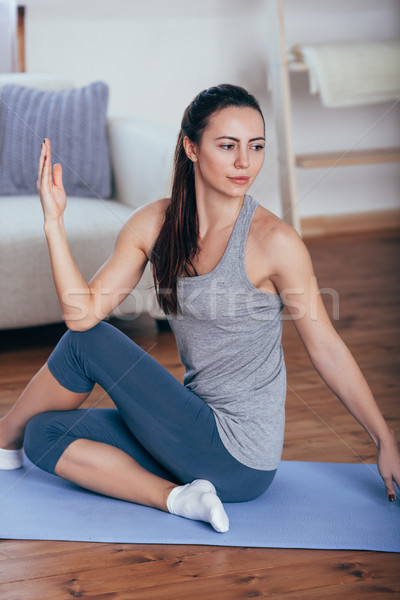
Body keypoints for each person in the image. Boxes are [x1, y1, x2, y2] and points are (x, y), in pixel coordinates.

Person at [0, 84, 399, 534]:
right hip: (188, 435)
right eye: (228, 146)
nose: (244, 162)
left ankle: (0, 438)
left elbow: (326, 347)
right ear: (191, 147)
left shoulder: (275, 242)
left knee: (87, 342)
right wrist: (54, 223)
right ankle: (178, 499)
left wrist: (383, 438)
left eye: (256, 146)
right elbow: (83, 308)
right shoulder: (154, 224)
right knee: (45, 434)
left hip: (239, 457)